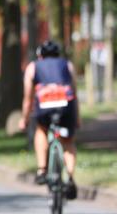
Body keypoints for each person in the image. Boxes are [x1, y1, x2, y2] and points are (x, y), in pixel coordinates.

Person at [18, 40, 80, 200]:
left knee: (41, 130)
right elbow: (74, 92)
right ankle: (70, 177)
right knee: (68, 141)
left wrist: (23, 119)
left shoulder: (33, 67)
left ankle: (42, 169)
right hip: (66, 106)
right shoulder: (67, 64)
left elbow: (27, 99)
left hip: (45, 107)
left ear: (40, 55)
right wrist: (77, 118)